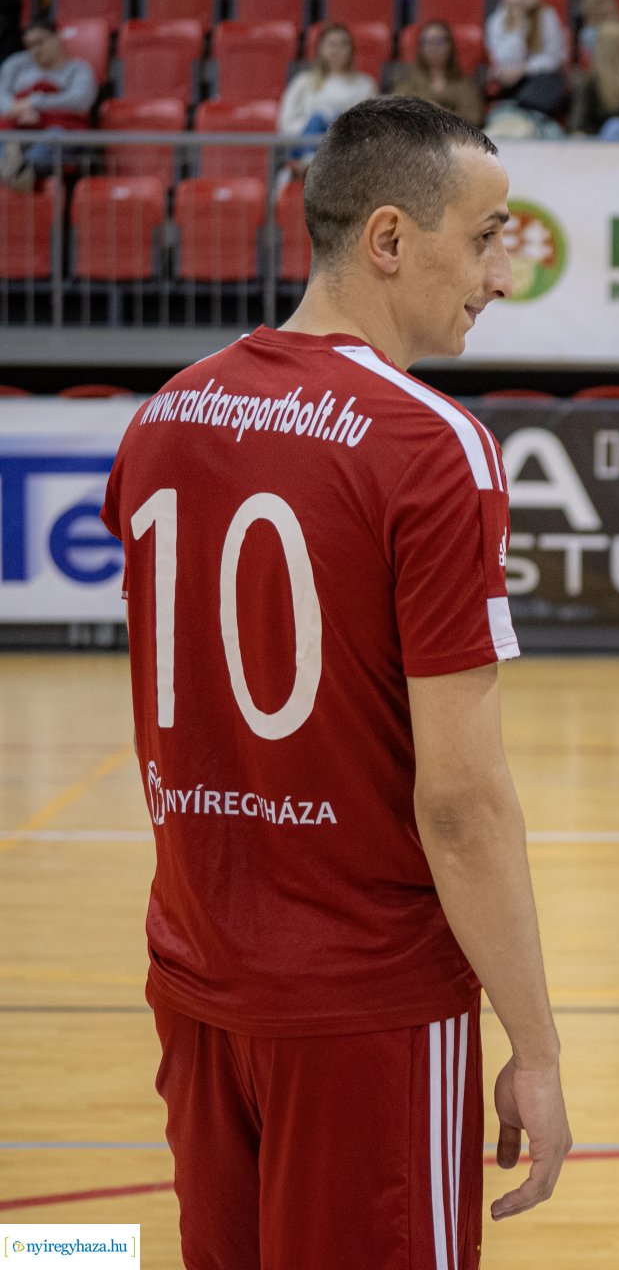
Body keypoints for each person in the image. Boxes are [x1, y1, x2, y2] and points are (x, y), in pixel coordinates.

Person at [98, 96, 571, 1270]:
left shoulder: (163, 416)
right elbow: (462, 803)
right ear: (393, 240)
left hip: (200, 983)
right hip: (366, 1006)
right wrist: (539, 1045)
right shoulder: (430, 445)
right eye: (485, 235)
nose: (499, 274)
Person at [0, 15, 96, 191]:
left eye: (40, 42)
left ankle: (21, 167)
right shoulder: (17, 65)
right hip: (19, 127)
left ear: (57, 37)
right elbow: (2, 97)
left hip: (58, 130)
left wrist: (35, 103)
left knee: (55, 136)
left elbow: (81, 100)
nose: (35, 50)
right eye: (29, 45)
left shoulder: (78, 68)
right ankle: (16, 168)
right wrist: (17, 110)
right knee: (4, 136)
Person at [278, 23, 377, 170]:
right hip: (307, 143)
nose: (337, 50)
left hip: (345, 147)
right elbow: (287, 121)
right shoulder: (303, 81)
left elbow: (371, 124)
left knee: (340, 121)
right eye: (331, 44)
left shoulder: (365, 84)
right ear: (320, 49)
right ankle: (310, 162)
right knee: (317, 119)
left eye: (343, 44)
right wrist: (314, 129)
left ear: (351, 49)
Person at [486, 0, 570, 119]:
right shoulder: (497, 19)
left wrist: (525, 68)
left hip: (540, 78)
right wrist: (518, 26)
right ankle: (517, 112)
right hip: (509, 81)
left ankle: (525, 113)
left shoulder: (547, 16)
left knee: (548, 79)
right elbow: (503, 59)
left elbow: (554, 58)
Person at [391, 19, 486, 127]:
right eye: (428, 42)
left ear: (450, 46)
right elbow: (395, 111)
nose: (434, 47)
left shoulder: (464, 83)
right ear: (421, 48)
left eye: (439, 41)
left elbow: (475, 118)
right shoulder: (409, 81)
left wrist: (440, 111)